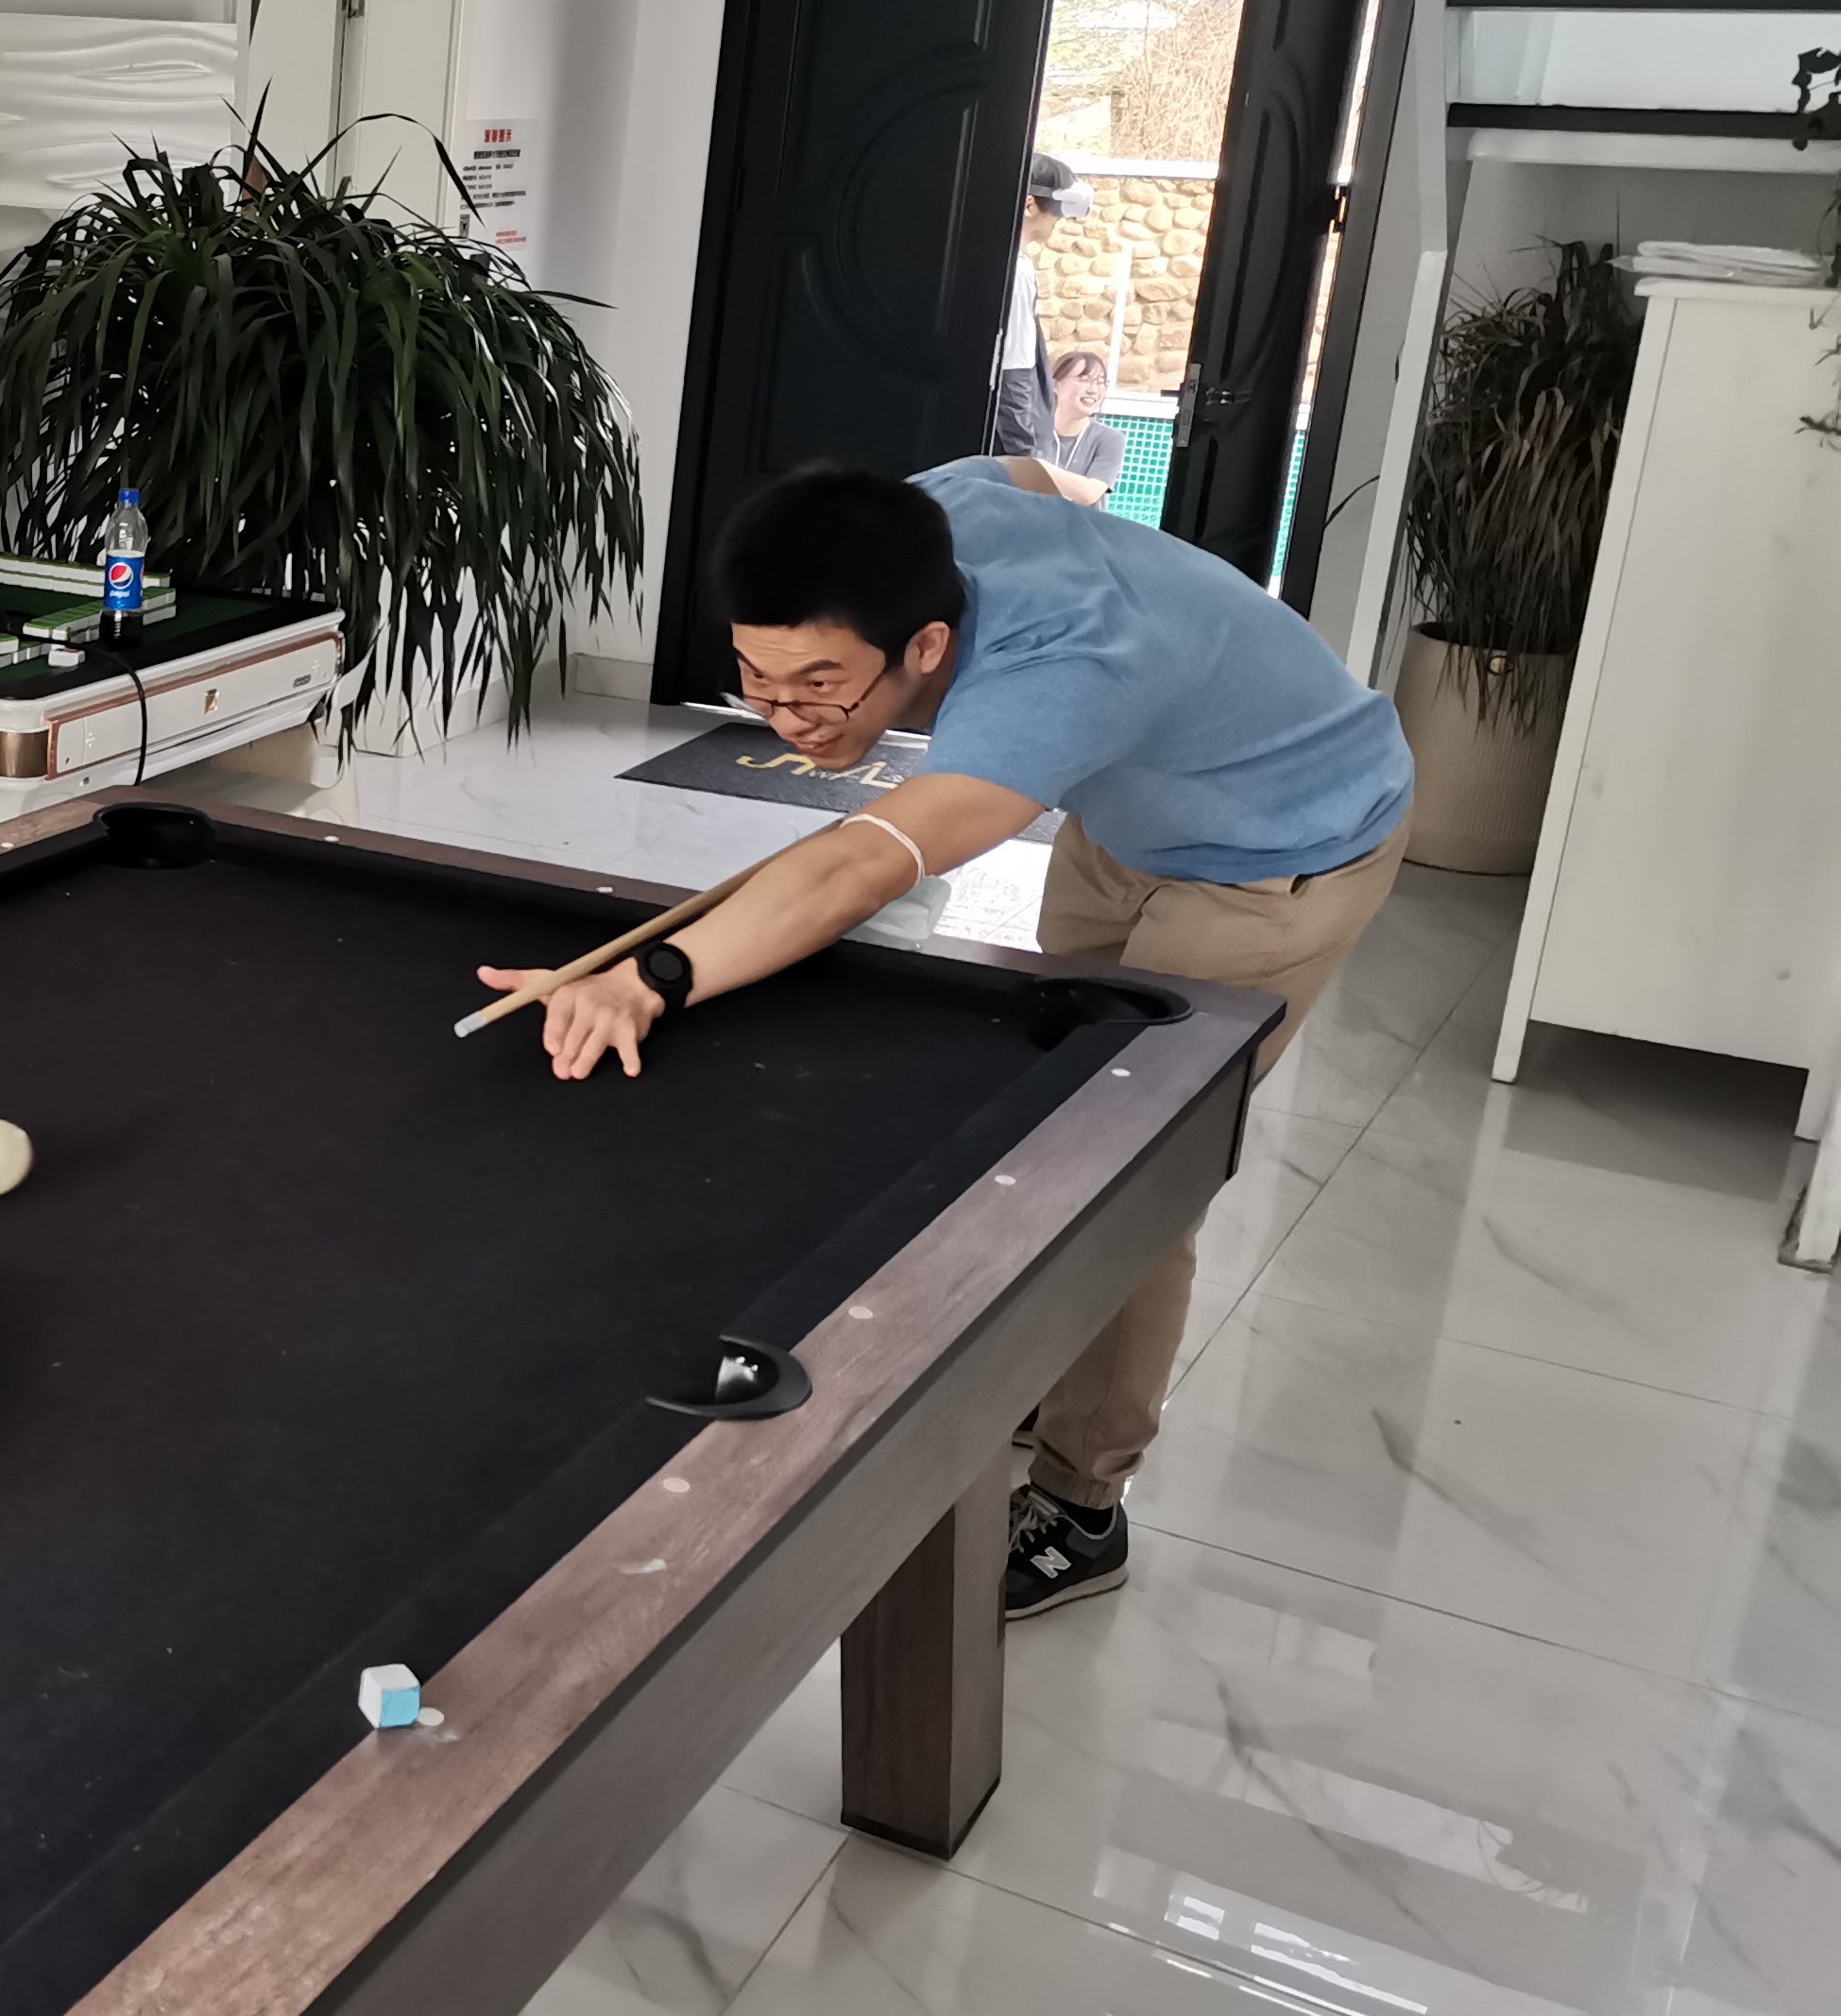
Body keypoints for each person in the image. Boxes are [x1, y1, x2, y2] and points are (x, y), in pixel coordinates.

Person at [476, 456, 1411, 1619]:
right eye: (757, 679)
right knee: (1048, 1105)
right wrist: (1115, 557)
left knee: (1122, 1172)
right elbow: (1029, 471)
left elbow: (859, 866)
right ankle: (1046, 1362)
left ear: (925, 647)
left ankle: (1080, 1503)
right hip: (1128, 818)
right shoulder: (930, 519)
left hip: (1283, 851)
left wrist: (652, 976)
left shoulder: (1055, 683)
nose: (784, 716)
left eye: (820, 686)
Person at [987, 155, 1090, 460]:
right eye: (1057, 209)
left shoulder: (984, 260)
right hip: (1005, 446)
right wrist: (1024, 455)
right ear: (1029, 205)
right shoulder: (1015, 271)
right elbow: (1013, 370)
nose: (1060, 219)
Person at [1032, 349, 1127, 505]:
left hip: (1083, 521)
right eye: (1084, 380)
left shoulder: (1110, 439)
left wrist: (1035, 466)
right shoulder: (1031, 432)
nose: (1093, 390)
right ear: (1054, 385)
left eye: (1100, 383)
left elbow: (1090, 493)